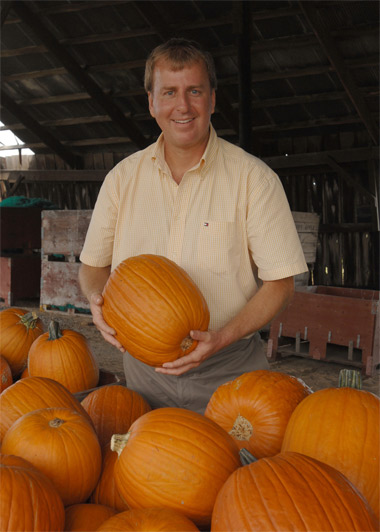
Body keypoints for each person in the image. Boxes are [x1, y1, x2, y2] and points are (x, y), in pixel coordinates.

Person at [79, 37, 308, 413]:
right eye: (168, 92)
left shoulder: (254, 179)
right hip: (143, 372)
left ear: (212, 100)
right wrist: (96, 301)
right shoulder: (121, 179)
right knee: (145, 470)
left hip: (230, 374)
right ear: (151, 102)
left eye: (195, 91)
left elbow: (281, 285)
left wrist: (220, 339)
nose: (182, 106)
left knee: (241, 471)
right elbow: (93, 267)